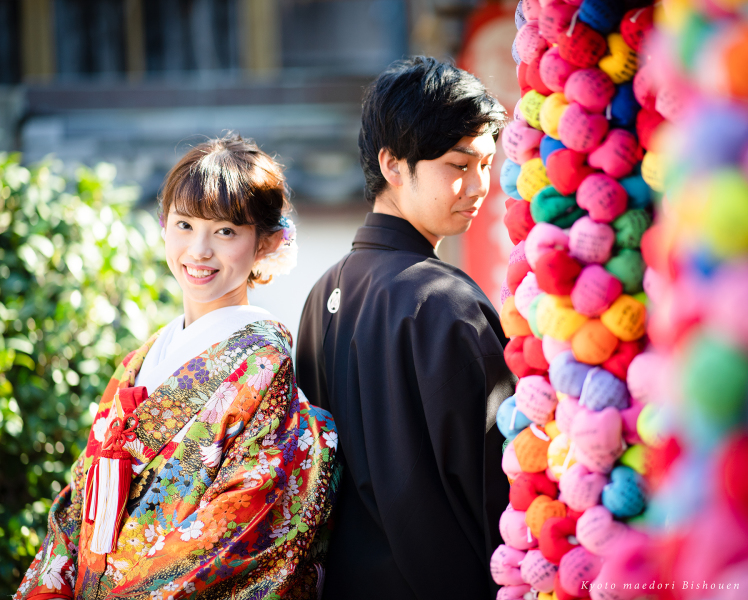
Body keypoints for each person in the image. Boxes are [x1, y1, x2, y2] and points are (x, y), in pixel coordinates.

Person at [15, 135, 340, 600]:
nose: (199, 250)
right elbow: (78, 503)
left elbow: (240, 521)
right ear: (164, 225)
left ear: (265, 242)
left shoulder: (265, 363)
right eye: (185, 225)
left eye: (225, 231)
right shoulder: (139, 361)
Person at [295, 57, 514, 600]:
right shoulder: (446, 302)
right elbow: (504, 484)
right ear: (392, 165)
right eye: (458, 164)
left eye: (487, 163)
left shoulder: (321, 294)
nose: (479, 185)